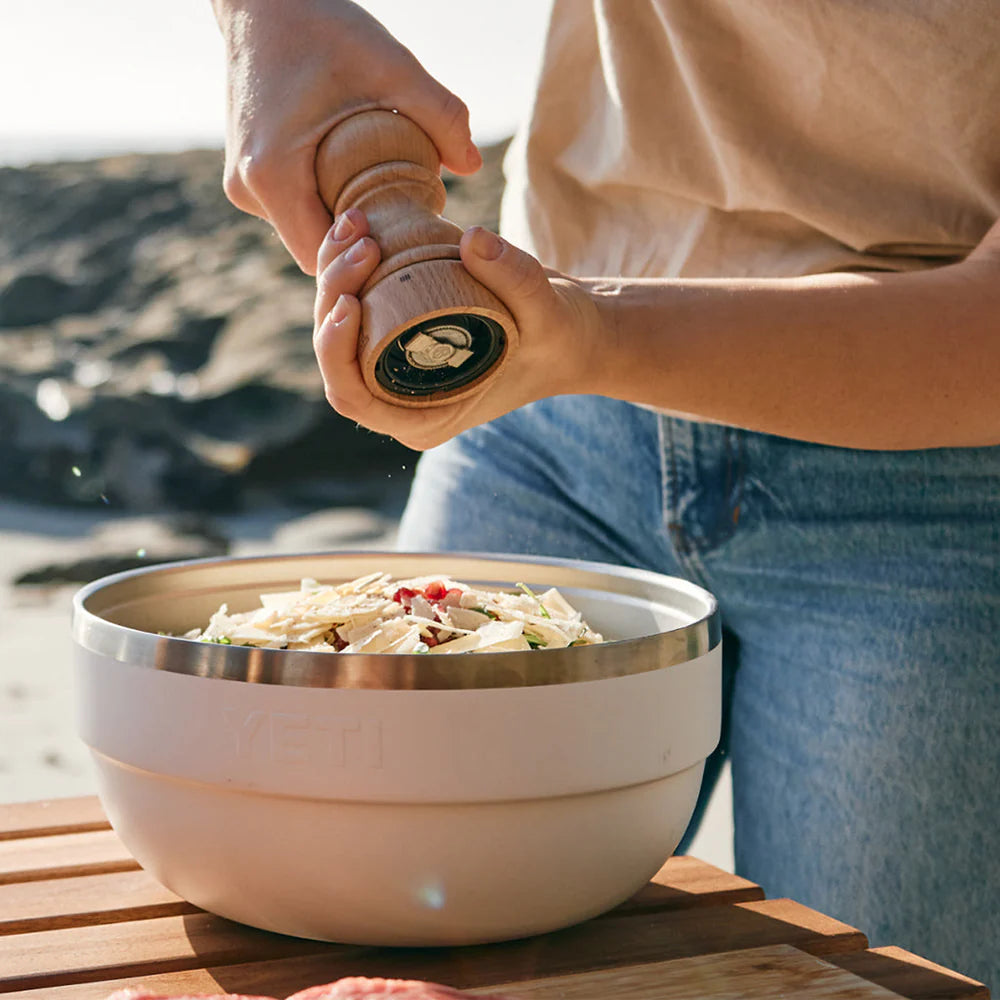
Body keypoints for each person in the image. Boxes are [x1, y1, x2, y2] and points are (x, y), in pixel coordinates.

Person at [211, 0, 1000, 986]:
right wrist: (270, 19)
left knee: (876, 983)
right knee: (366, 955)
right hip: (548, 425)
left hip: (938, 483)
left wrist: (591, 334)